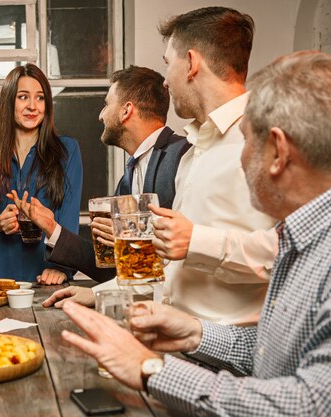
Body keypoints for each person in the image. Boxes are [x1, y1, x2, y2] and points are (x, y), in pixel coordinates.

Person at [62, 50, 331, 417]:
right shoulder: (302, 238)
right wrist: (195, 333)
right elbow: (274, 352)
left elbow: (310, 404)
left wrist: (150, 368)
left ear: (278, 153)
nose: (238, 157)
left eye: (247, 142)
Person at [45, 7, 277, 325]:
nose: (165, 81)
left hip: (231, 356)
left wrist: (196, 240)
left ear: (192, 63)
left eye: (168, 64)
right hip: (181, 341)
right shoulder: (196, 150)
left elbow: (294, 251)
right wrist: (99, 294)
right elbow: (174, 271)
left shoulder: (267, 136)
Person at [26, 66, 190, 283]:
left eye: (106, 104)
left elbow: (190, 249)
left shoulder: (184, 155)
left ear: (126, 110)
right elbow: (111, 267)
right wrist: (52, 228)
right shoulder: (127, 180)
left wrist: (130, 238)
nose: (101, 115)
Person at [0, 63, 83, 284]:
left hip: (47, 277)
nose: (33, 106)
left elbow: (69, 217)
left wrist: (62, 267)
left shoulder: (67, 151)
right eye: (23, 97)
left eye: (40, 98)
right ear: (8, 102)